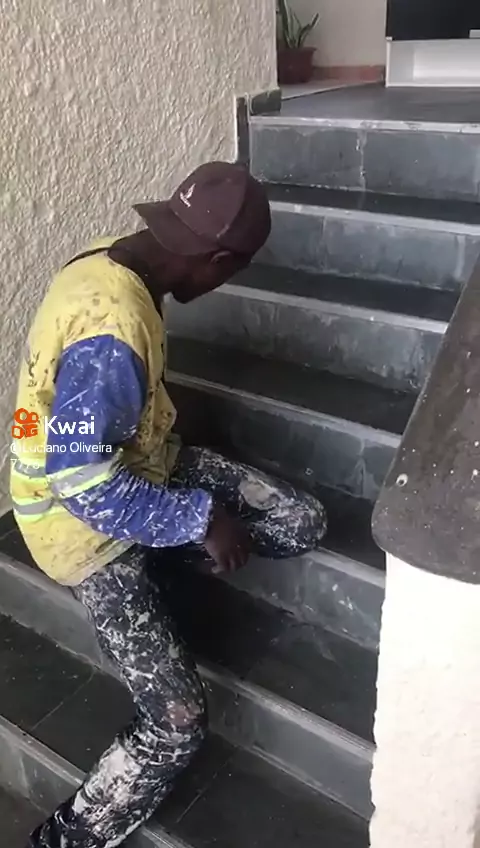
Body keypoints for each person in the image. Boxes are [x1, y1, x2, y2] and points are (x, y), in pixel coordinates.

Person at [12, 161, 327, 848]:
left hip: (142, 464)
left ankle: (164, 550)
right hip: (78, 526)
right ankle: (65, 838)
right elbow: (83, 483)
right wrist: (200, 520)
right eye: (232, 273)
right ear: (217, 261)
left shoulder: (110, 259)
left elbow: (98, 416)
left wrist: (172, 456)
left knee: (299, 521)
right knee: (177, 722)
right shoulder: (115, 327)